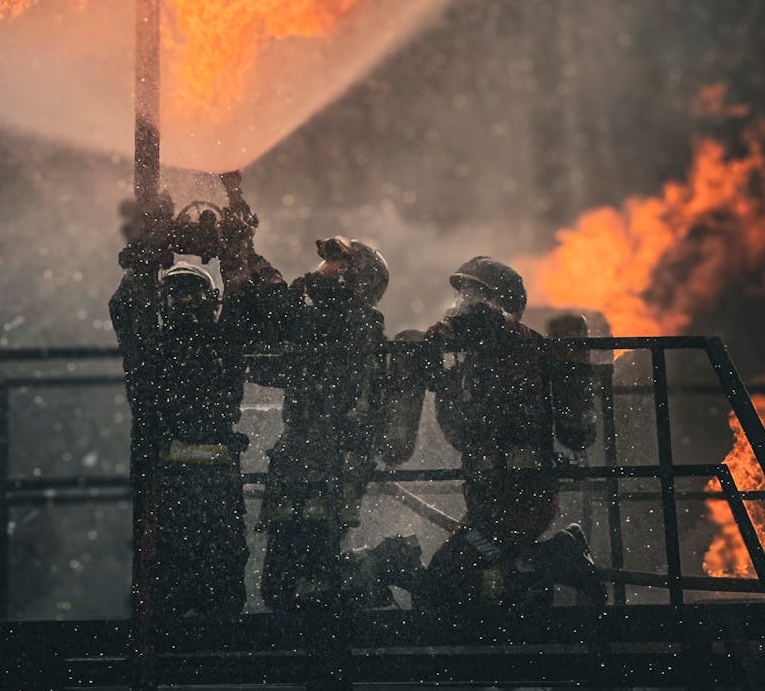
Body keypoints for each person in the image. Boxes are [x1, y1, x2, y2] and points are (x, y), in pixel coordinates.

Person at [416, 256, 604, 609]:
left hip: (520, 498)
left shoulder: (519, 344)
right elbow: (460, 433)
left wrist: (453, 337)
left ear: (499, 302)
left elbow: (487, 325)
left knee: (441, 582)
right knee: (480, 583)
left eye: (473, 294)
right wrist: (442, 376)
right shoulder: (476, 357)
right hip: (490, 498)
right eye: (463, 294)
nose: (462, 303)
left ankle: (558, 557)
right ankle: (544, 565)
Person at [110, 252, 253, 620]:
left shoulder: (152, 354)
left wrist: (144, 262)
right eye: (179, 293)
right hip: (209, 493)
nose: (185, 302)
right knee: (215, 598)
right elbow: (241, 302)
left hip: (173, 494)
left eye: (191, 293)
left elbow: (124, 311)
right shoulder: (222, 348)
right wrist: (237, 253)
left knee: (172, 599)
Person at [256, 236, 392, 610]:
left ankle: (358, 586)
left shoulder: (351, 322)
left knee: (308, 575)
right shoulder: (327, 322)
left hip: (325, 465)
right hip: (304, 460)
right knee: (282, 579)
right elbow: (269, 358)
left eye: (336, 266)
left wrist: (281, 293)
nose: (322, 272)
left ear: (356, 279)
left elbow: (278, 334)